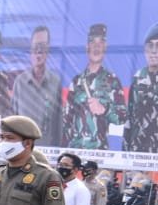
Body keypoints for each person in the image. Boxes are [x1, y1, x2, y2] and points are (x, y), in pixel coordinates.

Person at [65, 23, 125, 150]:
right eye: (93, 42)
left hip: (100, 154)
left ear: (105, 47)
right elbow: (67, 121)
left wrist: (105, 110)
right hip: (75, 151)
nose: (96, 46)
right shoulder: (76, 82)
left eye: (101, 42)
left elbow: (122, 118)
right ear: (87, 47)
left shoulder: (112, 81)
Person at [11, 26, 63, 147]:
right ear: (30, 50)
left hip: (46, 154)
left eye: (43, 47)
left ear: (48, 50)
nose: (38, 52)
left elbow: (58, 125)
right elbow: (13, 119)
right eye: (35, 47)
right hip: (22, 151)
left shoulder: (55, 82)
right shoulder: (20, 82)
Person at [125, 23, 158, 152]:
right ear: (145, 51)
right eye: (150, 46)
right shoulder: (139, 78)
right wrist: (125, 150)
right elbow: (130, 116)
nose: (154, 51)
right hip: (137, 151)